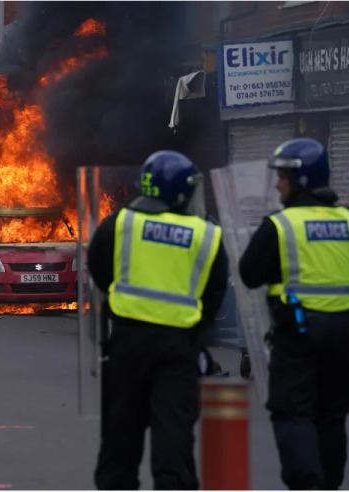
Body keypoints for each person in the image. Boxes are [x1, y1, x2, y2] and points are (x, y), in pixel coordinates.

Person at [87, 150, 228, 490]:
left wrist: (124, 301)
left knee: (119, 444)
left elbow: (98, 267)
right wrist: (195, 327)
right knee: (174, 446)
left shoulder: (120, 223)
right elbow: (215, 293)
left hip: (127, 344)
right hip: (179, 349)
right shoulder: (205, 234)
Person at [239, 138, 349, 490]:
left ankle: (308, 485)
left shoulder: (281, 225)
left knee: (293, 412)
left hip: (299, 334)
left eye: (284, 176)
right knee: (331, 416)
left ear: (301, 180)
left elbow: (249, 272)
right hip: (346, 335)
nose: (278, 184)